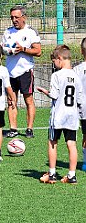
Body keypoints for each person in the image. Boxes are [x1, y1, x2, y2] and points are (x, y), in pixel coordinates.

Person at [37, 45, 82, 184]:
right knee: (72, 144)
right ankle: (72, 175)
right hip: (72, 116)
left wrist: (44, 91)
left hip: (58, 116)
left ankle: (51, 174)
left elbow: (54, 95)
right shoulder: (76, 76)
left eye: (54, 61)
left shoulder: (57, 75)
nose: (54, 64)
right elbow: (79, 99)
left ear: (60, 59)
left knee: (52, 142)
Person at [1, 5, 41, 138]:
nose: (14, 20)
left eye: (16, 17)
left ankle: (29, 129)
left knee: (28, 100)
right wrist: (5, 50)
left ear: (24, 17)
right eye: (12, 17)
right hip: (10, 72)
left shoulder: (31, 32)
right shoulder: (7, 32)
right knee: (11, 100)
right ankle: (13, 128)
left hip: (25, 71)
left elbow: (38, 51)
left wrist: (23, 49)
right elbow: (3, 49)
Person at [73, 37, 86, 171]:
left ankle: (85, 163)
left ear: (82, 51)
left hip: (83, 108)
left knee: (85, 135)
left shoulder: (76, 70)